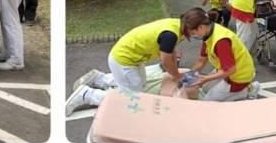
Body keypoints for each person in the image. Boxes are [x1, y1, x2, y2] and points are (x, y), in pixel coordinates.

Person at [65, 10, 198, 115]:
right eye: (201, 29)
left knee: (140, 83)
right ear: (192, 27)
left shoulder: (176, 24)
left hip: (131, 57)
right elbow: (166, 60)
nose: (201, 34)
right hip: (125, 60)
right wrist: (177, 75)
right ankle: (86, 95)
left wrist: (175, 65)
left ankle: (101, 79)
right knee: (131, 97)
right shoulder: (170, 35)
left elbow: (170, 52)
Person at [186, 8, 259, 101]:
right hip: (227, 69)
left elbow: (231, 70)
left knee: (208, 101)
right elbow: (201, 61)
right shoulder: (208, 32)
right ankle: (241, 88)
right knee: (204, 89)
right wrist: (188, 77)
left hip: (239, 76)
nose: (193, 36)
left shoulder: (221, 41)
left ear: (201, 27)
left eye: (193, 33)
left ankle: (248, 89)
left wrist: (206, 78)